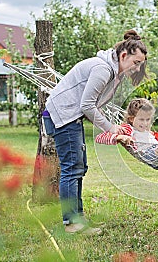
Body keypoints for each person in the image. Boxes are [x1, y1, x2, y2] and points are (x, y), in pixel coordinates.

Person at [42, 29, 148, 235]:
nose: (137, 68)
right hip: (62, 116)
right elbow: (87, 106)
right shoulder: (103, 69)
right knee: (72, 168)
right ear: (124, 56)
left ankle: (77, 219)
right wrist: (111, 128)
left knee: (79, 167)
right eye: (136, 63)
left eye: (140, 65)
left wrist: (117, 128)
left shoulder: (113, 73)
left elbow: (96, 104)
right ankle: (72, 223)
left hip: (69, 116)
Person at [95, 98, 158, 169]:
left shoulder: (149, 132)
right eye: (142, 119)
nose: (146, 123)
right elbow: (99, 137)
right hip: (149, 155)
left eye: (148, 119)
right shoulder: (127, 128)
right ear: (131, 119)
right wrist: (120, 137)